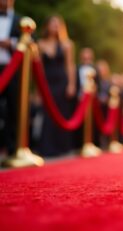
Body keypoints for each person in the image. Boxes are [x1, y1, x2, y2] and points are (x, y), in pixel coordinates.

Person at [37, 15, 76, 156]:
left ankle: (62, 148)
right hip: (47, 83)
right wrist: (38, 88)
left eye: (57, 23)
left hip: (62, 82)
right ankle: (47, 148)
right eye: (52, 23)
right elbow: (39, 67)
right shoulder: (40, 44)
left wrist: (71, 84)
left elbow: (70, 66)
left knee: (61, 113)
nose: (55, 26)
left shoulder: (67, 44)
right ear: (47, 26)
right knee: (47, 114)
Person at [0, 0, 21, 155]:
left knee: (13, 108)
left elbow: (30, 43)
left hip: (12, 70)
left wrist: (12, 43)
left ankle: (11, 147)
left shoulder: (21, 21)